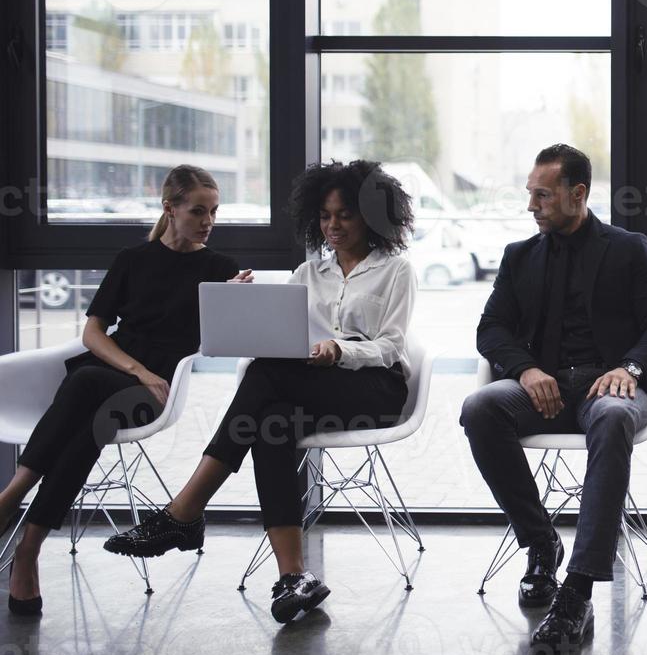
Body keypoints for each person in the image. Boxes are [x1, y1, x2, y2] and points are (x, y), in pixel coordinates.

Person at [104, 160, 417, 625]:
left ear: (372, 216)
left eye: (345, 215)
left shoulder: (395, 271)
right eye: (325, 216)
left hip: (375, 390)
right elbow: (280, 337)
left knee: (268, 380)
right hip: (310, 388)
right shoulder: (309, 272)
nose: (333, 226)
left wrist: (338, 351)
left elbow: (391, 347)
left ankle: (184, 511)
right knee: (271, 424)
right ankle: (294, 576)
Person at [0, 165, 247, 616]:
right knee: (89, 411)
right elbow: (94, 333)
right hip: (116, 373)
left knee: (85, 383)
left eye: (214, 212)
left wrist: (231, 303)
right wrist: (137, 369)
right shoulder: (133, 259)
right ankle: (28, 550)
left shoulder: (220, 269)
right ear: (169, 209)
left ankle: (11, 497)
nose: (208, 221)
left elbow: (217, 346)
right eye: (198, 211)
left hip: (154, 393)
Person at [461, 144, 647, 655]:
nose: (531, 205)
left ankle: (577, 590)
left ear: (577, 194)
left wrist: (629, 368)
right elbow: (490, 329)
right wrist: (527, 369)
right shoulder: (520, 257)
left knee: (611, 417)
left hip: (610, 386)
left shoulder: (629, 249)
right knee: (479, 408)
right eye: (530, 194)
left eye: (542, 195)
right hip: (546, 387)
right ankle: (541, 543)